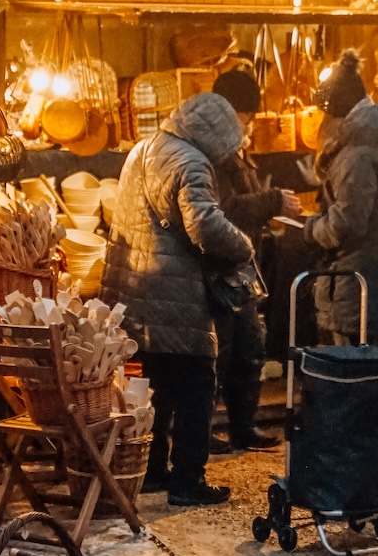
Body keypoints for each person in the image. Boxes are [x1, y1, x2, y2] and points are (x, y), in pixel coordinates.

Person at [101, 92, 253, 507]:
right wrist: (243, 245)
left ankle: (152, 471)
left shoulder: (144, 148)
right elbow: (204, 226)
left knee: (155, 386)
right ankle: (188, 480)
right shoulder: (191, 162)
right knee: (196, 384)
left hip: (135, 289)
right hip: (176, 292)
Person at [208, 68, 301, 450]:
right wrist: (272, 200)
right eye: (245, 116)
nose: (247, 125)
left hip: (242, 269)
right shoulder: (211, 155)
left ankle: (243, 425)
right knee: (221, 353)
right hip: (219, 269)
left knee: (249, 348)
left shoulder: (233, 151)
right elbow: (224, 210)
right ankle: (205, 428)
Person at [304, 50, 378, 345]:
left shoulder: (359, 151)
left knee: (353, 372)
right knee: (370, 367)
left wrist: (312, 228)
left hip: (359, 278)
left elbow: (348, 223)